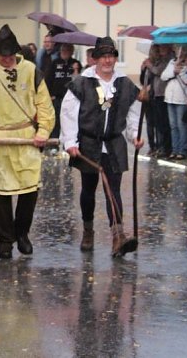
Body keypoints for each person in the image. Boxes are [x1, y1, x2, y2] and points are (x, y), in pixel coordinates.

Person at [0, 24, 55, 259]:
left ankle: (22, 233)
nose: (6, 60)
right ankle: (4, 241)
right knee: (0, 194)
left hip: (26, 137)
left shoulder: (31, 71)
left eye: (10, 55)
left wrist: (43, 131)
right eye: (2, 56)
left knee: (29, 189)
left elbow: (44, 104)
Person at [60, 36, 143, 257]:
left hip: (114, 144)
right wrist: (70, 142)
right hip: (88, 144)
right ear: (95, 59)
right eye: (103, 57)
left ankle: (118, 237)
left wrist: (134, 135)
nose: (107, 61)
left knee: (113, 190)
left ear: (115, 59)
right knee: (88, 190)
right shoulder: (81, 83)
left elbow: (133, 114)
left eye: (111, 56)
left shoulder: (125, 85)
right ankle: (88, 230)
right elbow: (68, 113)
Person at [45, 43, 81, 141]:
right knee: (56, 122)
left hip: (71, 99)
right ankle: (54, 144)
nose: (65, 52)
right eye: (63, 50)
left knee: (70, 122)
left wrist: (75, 69)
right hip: (57, 98)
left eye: (67, 50)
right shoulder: (55, 63)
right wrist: (50, 95)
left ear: (72, 52)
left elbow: (78, 82)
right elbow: (48, 80)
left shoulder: (75, 63)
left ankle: (70, 143)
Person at [161, 47, 187, 160]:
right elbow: (164, 76)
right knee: (173, 125)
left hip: (181, 97)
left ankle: (182, 150)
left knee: (181, 124)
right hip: (170, 97)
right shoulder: (172, 62)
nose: (180, 53)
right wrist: (173, 71)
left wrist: (180, 72)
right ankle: (175, 149)